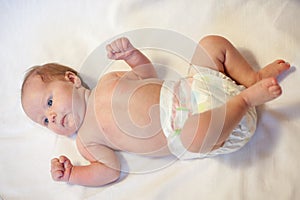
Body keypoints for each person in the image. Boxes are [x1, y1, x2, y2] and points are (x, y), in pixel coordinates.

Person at [21, 35, 290, 186]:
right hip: (206, 129)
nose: (52, 117)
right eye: (45, 120)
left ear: (71, 80)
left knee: (211, 45)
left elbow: (146, 75)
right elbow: (108, 170)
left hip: (195, 87)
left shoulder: (108, 79)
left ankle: (252, 79)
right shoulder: (86, 142)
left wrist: (131, 55)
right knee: (191, 136)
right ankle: (245, 100)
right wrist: (73, 175)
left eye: (49, 103)